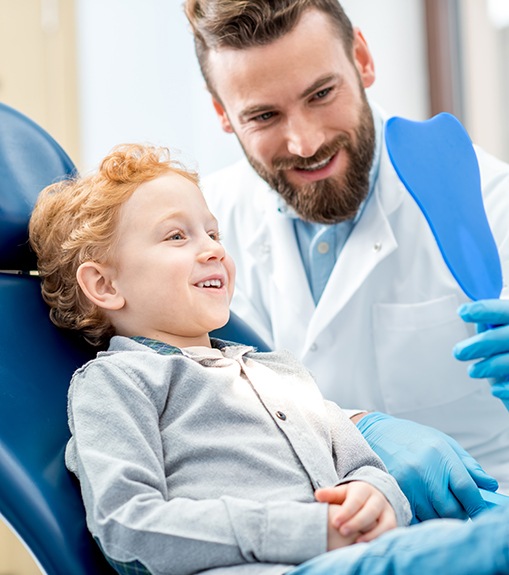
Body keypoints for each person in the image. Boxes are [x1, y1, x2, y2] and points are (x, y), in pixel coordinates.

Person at [182, 0, 509, 520]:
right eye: (264, 115)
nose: (305, 141)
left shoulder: (487, 203)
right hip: (316, 540)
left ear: (361, 58)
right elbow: (195, 414)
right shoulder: (198, 229)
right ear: (222, 113)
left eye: (321, 94)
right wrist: (356, 427)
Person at [28, 143, 411, 574]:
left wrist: (375, 497)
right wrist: (306, 531)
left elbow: (367, 469)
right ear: (104, 284)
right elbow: (128, 527)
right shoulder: (119, 383)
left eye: (212, 234)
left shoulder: (281, 371)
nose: (213, 250)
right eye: (176, 236)